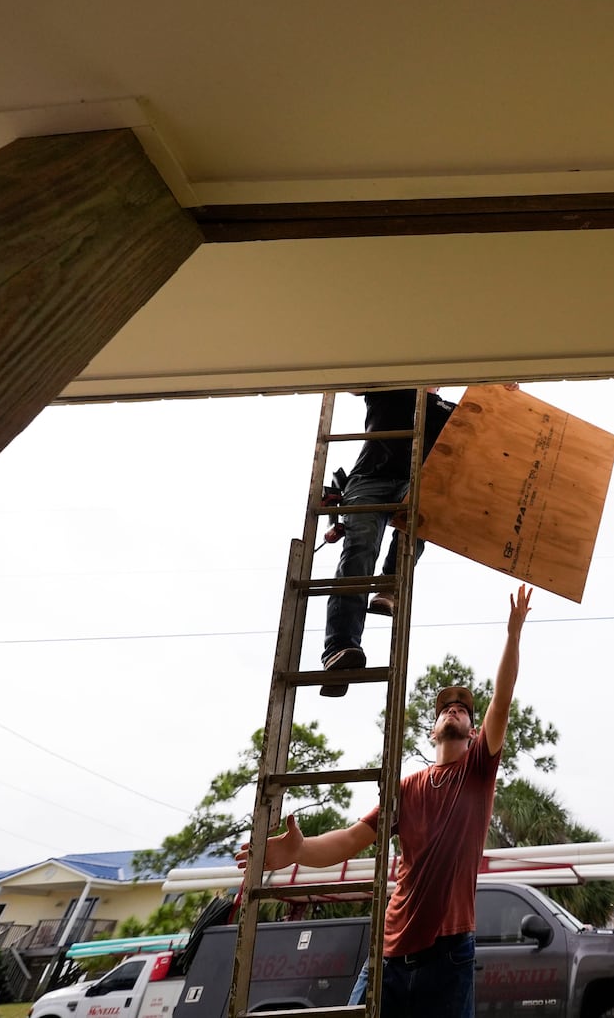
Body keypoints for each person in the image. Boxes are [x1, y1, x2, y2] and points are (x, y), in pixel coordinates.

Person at [240, 585, 533, 1018]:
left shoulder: (477, 773)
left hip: (449, 956)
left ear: (473, 732)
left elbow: (502, 702)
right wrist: (299, 851)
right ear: (431, 730)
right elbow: (351, 838)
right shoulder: (407, 788)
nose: (454, 709)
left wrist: (513, 633)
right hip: (389, 954)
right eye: (445, 707)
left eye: (463, 709)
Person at [319, 387, 456, 696]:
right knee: (360, 549)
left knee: (425, 515)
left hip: (415, 482)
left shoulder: (448, 410)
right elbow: (355, 381)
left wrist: (503, 389)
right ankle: (339, 649)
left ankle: (388, 586)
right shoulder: (392, 386)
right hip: (370, 480)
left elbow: (489, 426)